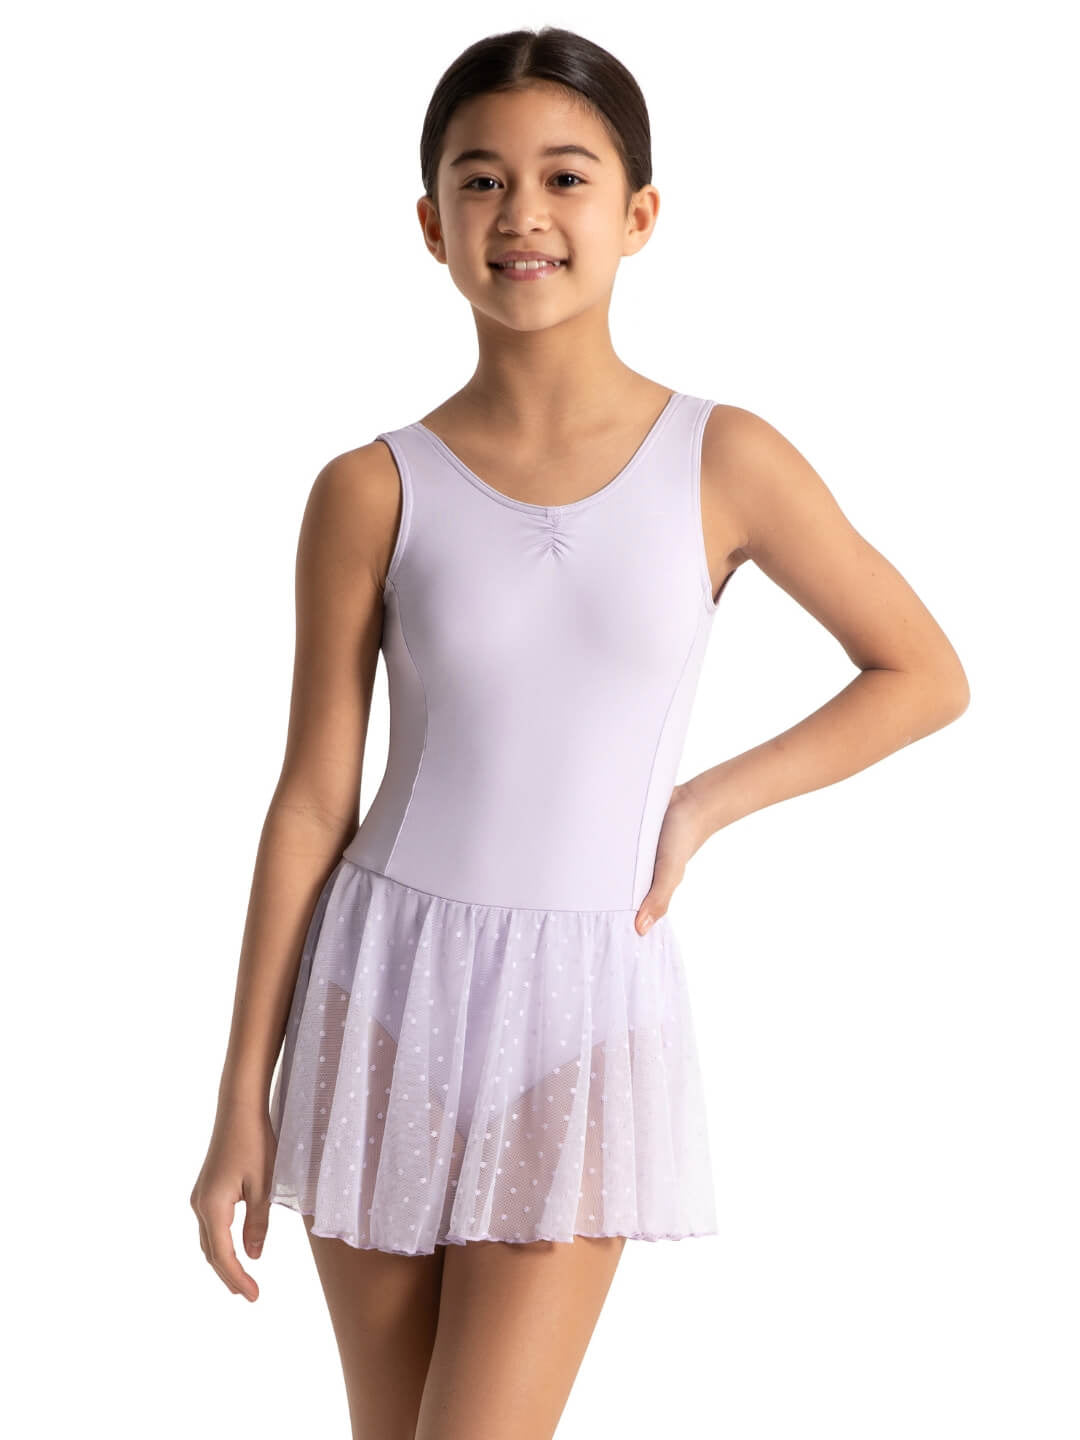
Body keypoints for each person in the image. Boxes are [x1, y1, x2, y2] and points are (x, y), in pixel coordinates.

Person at [190, 25, 969, 1440]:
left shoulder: (724, 458)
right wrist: (240, 1093)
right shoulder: (371, 488)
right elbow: (311, 799)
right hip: (376, 993)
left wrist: (704, 805)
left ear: (639, 213)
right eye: (481, 181)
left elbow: (920, 672)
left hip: (579, 1011)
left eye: (565, 176)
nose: (523, 214)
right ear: (432, 223)